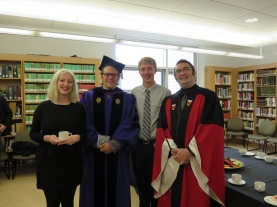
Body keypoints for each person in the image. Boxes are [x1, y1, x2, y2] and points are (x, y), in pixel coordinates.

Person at [151, 59, 225, 207]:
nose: (182, 73)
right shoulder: (168, 100)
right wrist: (173, 150)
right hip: (173, 159)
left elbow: (212, 131)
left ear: (193, 72)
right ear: (175, 76)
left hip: (195, 161)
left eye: (185, 69)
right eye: (178, 71)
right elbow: (162, 129)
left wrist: (189, 151)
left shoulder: (208, 97)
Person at [79, 55, 139, 207]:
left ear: (119, 77)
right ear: (101, 76)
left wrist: (114, 143)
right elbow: (83, 122)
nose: (110, 77)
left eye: (114, 75)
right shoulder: (88, 97)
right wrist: (100, 142)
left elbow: (131, 122)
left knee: (117, 191)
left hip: (117, 154)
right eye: (107, 74)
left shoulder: (128, 99)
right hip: (94, 154)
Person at [30, 69, 86, 207]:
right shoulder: (43, 107)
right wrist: (46, 138)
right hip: (48, 162)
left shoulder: (79, 108)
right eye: (62, 80)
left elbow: (85, 133)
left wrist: (77, 138)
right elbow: (33, 133)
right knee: (52, 202)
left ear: (73, 85)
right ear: (56, 83)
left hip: (71, 162)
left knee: (68, 202)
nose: (65, 84)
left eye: (69, 81)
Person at [131, 57, 171, 207]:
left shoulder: (166, 93)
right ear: (139, 71)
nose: (146, 72)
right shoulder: (133, 93)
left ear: (155, 70)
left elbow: (168, 122)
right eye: (143, 69)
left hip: (157, 146)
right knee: (140, 183)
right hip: (138, 146)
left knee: (156, 183)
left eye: (149, 68)